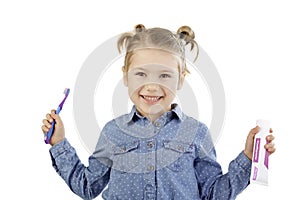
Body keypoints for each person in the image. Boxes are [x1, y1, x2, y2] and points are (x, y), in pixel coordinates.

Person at [41, 24, 276, 200]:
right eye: (141, 74)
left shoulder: (195, 132)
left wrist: (248, 157)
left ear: (180, 79)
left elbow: (213, 194)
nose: (152, 85)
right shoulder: (113, 132)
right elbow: (88, 187)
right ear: (125, 75)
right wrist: (59, 143)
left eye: (164, 75)